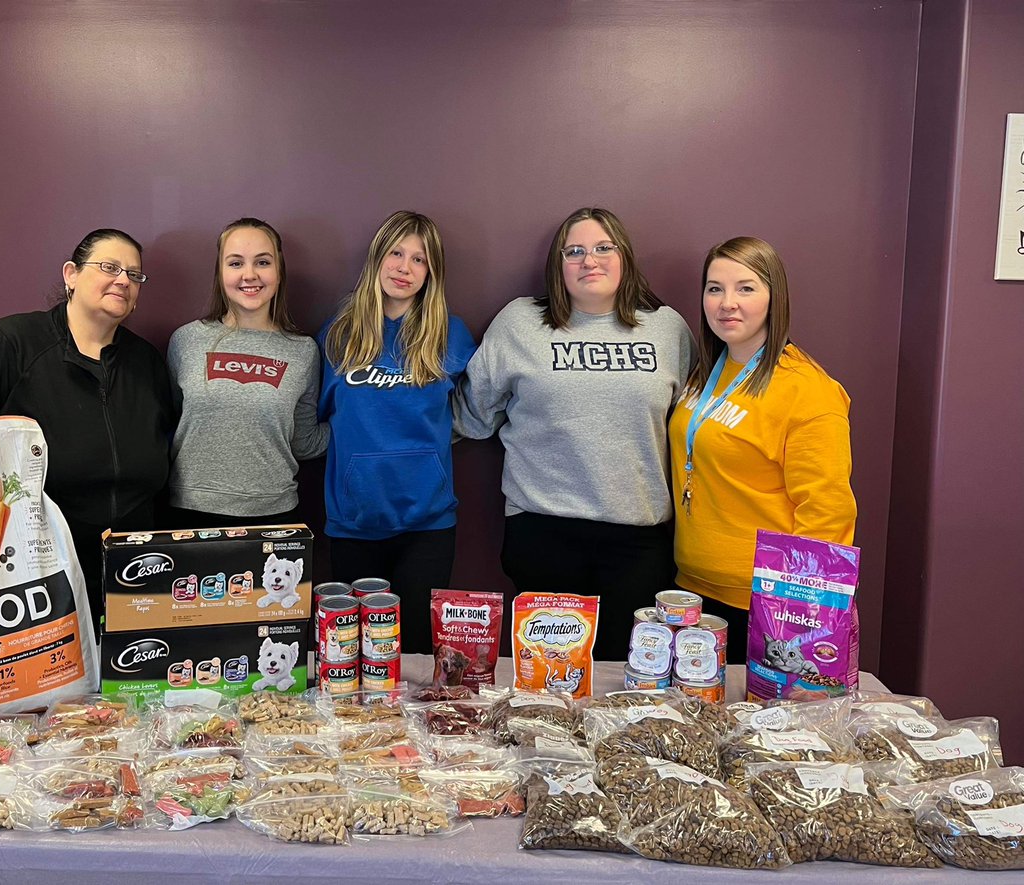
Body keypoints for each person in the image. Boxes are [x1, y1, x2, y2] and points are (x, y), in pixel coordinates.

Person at [454, 207, 694, 662]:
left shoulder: (667, 329)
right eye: (575, 251)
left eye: (604, 248)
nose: (591, 260)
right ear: (557, 265)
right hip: (542, 532)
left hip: (638, 540)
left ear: (625, 258)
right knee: (547, 688)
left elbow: (691, 426)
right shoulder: (520, 323)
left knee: (629, 685)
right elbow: (473, 414)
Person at [0, 229, 176, 632]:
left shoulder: (146, 363)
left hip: (131, 580)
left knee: (123, 695)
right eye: (109, 267)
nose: (123, 280)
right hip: (26, 583)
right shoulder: (8, 345)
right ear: (71, 275)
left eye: (134, 275)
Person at [668, 236, 857, 663]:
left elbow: (828, 511)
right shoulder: (709, 371)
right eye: (715, 288)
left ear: (776, 298)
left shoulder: (808, 391)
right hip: (690, 590)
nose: (726, 302)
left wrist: (798, 615)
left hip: (762, 604)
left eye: (746, 288)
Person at [318, 210, 476, 654]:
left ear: (432, 272)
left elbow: (472, 410)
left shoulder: (450, 334)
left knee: (418, 651)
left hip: (428, 521)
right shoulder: (338, 334)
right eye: (395, 253)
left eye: (419, 259)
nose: (405, 268)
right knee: (353, 652)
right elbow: (318, 417)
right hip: (354, 520)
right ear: (376, 260)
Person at [166, 218, 328, 528]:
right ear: (220, 273)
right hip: (191, 514)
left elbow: (303, 441)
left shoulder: (303, 351)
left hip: (274, 516)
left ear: (278, 272)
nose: (249, 274)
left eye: (263, 262)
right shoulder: (186, 341)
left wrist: (368, 425)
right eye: (236, 262)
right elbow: (173, 422)